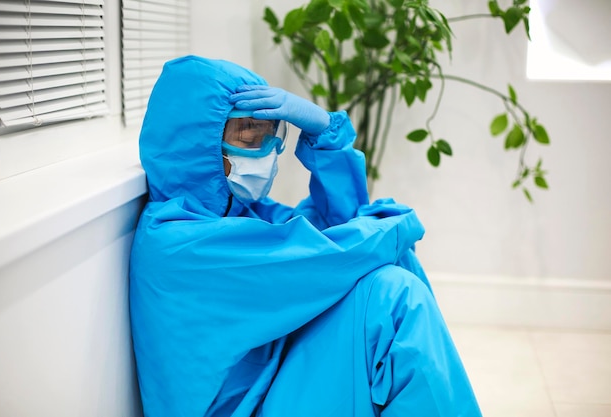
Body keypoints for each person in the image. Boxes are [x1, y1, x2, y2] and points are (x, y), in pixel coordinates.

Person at [129, 55, 483, 417]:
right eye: (248, 135)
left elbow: (334, 224)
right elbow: (334, 254)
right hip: (248, 406)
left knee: (388, 283)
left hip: (272, 385)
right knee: (394, 295)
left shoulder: (239, 212)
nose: (266, 152)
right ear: (196, 143)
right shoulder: (176, 243)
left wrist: (326, 136)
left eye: (270, 135)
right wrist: (401, 223)